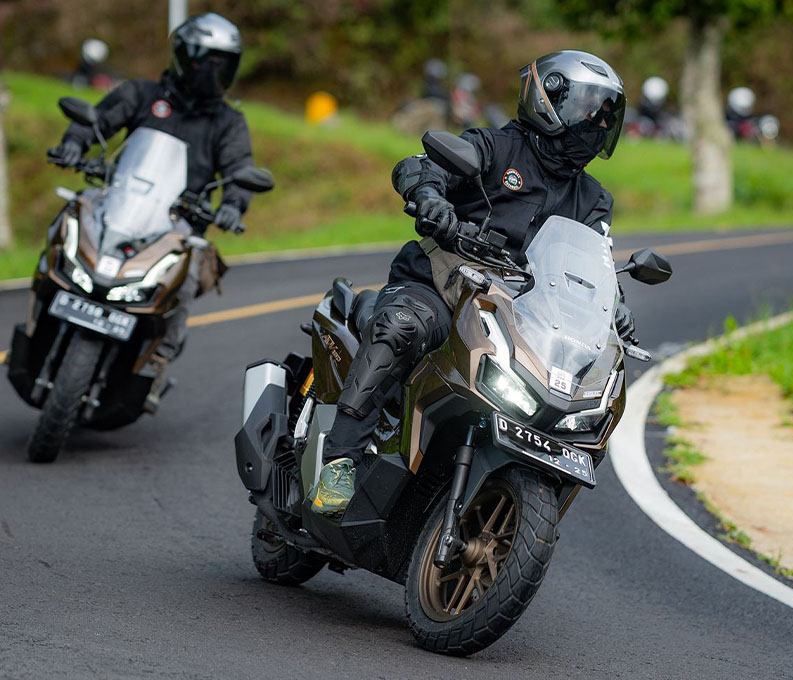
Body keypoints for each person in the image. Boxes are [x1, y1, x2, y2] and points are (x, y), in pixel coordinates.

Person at [310, 50, 635, 516]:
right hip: (441, 286)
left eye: (606, 115)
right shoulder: (496, 147)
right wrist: (429, 198)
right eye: (589, 109)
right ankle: (339, 460)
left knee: (579, 391)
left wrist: (617, 305)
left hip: (518, 314)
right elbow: (419, 165)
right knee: (402, 328)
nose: (598, 124)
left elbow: (599, 259)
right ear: (549, 100)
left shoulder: (593, 198)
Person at [49, 13, 257, 413]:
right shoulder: (142, 95)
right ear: (183, 56)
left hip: (177, 231)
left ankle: (156, 363)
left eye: (223, 63)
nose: (213, 71)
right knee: (67, 222)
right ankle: (44, 303)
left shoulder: (229, 122)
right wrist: (75, 144)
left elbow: (239, 171)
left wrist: (232, 205)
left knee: (184, 285)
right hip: (119, 207)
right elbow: (96, 122)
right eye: (205, 60)